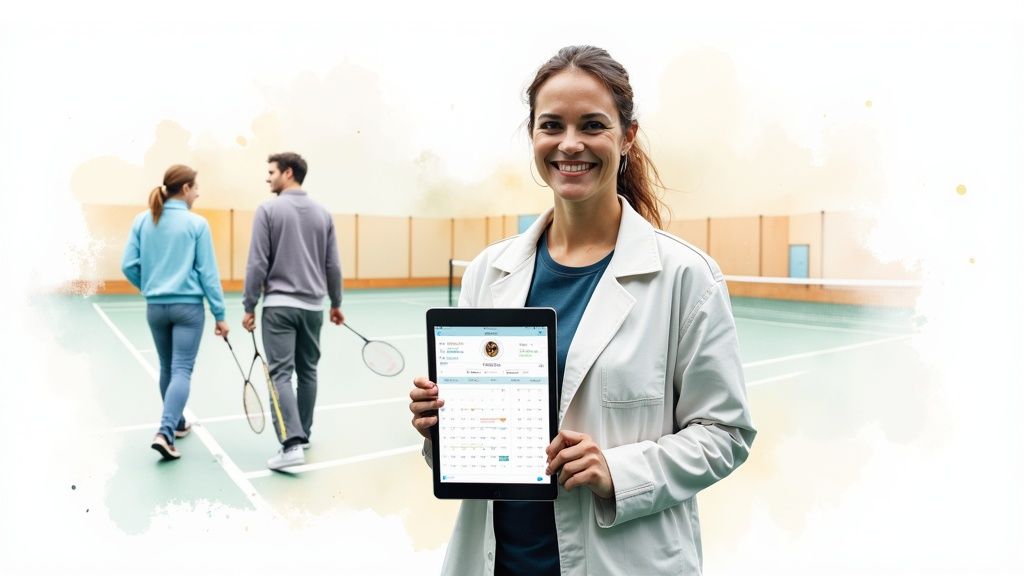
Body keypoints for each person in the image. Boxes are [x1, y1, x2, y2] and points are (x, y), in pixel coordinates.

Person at [408, 46, 756, 575]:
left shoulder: (686, 278)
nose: (570, 144)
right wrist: (443, 429)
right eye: (552, 125)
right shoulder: (488, 271)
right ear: (533, 136)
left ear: (627, 136)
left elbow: (726, 433)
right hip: (500, 562)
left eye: (592, 125)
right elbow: (477, 445)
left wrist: (616, 470)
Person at [242, 152, 344, 471]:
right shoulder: (323, 214)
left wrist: (249, 305)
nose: (267, 177)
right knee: (308, 372)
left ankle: (291, 444)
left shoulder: (268, 209)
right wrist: (336, 303)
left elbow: (257, 262)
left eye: (271, 171)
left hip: (279, 308)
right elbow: (333, 265)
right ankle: (303, 434)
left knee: (280, 375)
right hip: (314, 309)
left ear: (288, 173)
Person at [122, 164, 230, 460]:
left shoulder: (142, 220)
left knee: (167, 367)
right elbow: (208, 274)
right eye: (196, 187)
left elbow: (128, 265)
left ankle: (178, 424)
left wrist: (149, 286)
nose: (198, 193)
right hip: (188, 309)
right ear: (185, 189)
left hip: (155, 308)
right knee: (182, 369)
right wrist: (220, 315)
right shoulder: (197, 225)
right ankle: (166, 431)